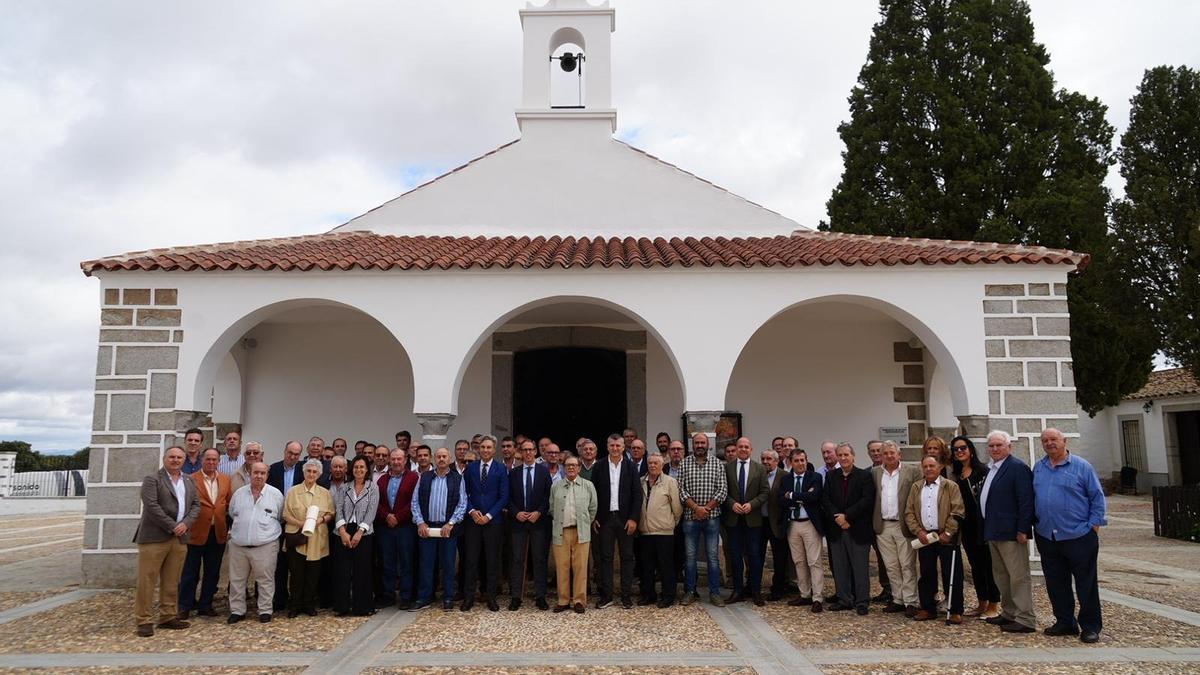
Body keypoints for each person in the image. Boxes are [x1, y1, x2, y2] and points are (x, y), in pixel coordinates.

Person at [1033, 428, 1107, 644]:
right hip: (1048, 536)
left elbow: (1097, 497)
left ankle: (1091, 626)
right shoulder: (1039, 467)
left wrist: (1093, 525)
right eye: (1045, 440)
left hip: (1078, 536)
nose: (1049, 443)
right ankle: (1065, 622)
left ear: (1064, 441)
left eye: (1053, 439)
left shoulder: (1082, 467)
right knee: (1056, 583)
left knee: (1086, 584)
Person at [133, 446, 200, 637]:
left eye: (179, 457)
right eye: (172, 457)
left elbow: (196, 504)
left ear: (184, 460)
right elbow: (151, 506)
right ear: (164, 459)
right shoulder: (153, 479)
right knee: (147, 580)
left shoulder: (188, 479)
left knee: (172, 580)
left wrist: (185, 524)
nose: (176, 460)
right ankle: (144, 619)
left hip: (179, 538)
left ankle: (168, 616)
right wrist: (173, 525)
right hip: (155, 536)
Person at [980, 430, 1036, 633]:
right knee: (1002, 576)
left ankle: (1025, 618)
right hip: (994, 531)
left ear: (1008, 447)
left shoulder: (1017, 468)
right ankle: (1009, 613)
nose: (994, 449)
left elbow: (1026, 501)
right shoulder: (992, 468)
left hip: (1012, 533)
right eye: (991, 446)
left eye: (999, 445)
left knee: (1018, 577)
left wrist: (1023, 529)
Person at [906, 456, 966, 624]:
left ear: (940, 467)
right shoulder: (916, 487)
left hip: (946, 536)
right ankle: (927, 608)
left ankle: (955, 610)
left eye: (932, 465)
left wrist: (948, 532)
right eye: (925, 466)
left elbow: (957, 510)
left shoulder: (950, 486)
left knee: (952, 573)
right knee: (926, 574)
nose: (928, 469)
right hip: (926, 537)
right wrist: (918, 531)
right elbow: (909, 512)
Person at [821, 442, 875, 615]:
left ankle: (862, 601)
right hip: (837, 529)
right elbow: (826, 499)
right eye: (840, 455)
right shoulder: (831, 476)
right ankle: (844, 599)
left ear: (853, 456)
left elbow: (867, 500)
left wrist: (848, 516)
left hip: (857, 528)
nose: (843, 458)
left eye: (846, 455)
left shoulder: (864, 476)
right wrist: (838, 517)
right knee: (839, 566)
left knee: (860, 568)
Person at [950, 435, 1000, 619]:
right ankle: (982, 603)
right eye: (956, 449)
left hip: (983, 525)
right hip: (967, 527)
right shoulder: (957, 475)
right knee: (976, 566)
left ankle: (994, 604)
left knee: (988, 565)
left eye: (963, 448)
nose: (960, 451)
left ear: (970, 450)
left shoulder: (982, 471)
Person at [226, 461, 283, 624]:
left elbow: (280, 517)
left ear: (267, 475)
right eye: (255, 472)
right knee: (237, 580)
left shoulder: (276, 495)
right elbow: (232, 513)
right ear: (250, 474)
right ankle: (237, 610)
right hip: (239, 546)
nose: (258, 476)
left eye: (262, 473)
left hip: (265, 545)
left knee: (265, 580)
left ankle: (265, 610)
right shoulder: (239, 494)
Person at [591, 433, 643, 609]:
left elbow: (637, 495)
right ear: (607, 447)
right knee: (605, 558)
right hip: (605, 520)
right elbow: (593, 494)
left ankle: (626, 596)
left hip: (625, 520)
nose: (615, 449)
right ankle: (607, 596)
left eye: (618, 446)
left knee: (627, 558)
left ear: (623, 447)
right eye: (612, 445)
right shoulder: (598, 467)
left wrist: (634, 518)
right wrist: (595, 517)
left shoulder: (630, 467)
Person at [413, 447, 468, 611]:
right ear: (434, 459)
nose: (441, 459)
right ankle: (425, 597)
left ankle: (448, 597)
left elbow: (462, 503)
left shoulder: (458, 478)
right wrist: (420, 522)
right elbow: (415, 502)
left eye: (444, 456)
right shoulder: (424, 477)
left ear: (449, 458)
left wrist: (451, 523)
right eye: (438, 457)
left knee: (448, 564)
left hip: (447, 528)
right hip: (427, 527)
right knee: (426, 564)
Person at [178, 448, 231, 619]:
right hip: (196, 532)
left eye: (214, 460)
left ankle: (205, 604)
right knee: (190, 572)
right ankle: (184, 605)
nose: (211, 462)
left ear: (219, 462)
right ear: (202, 460)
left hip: (217, 533)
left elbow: (227, 504)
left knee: (212, 571)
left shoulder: (225, 480)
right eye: (208, 459)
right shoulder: (190, 479)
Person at [677, 432, 728, 607]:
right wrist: (696, 508)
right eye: (696, 442)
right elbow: (681, 490)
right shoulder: (684, 463)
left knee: (713, 556)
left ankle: (714, 593)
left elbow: (722, 490)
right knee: (690, 556)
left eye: (702, 443)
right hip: (691, 518)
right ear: (692, 445)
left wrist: (705, 509)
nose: (699, 445)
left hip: (712, 518)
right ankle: (690, 591)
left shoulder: (717, 464)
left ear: (708, 445)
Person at [872, 440, 921, 617]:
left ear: (899, 454)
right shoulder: (876, 473)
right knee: (891, 565)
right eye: (886, 453)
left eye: (892, 453)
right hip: (883, 525)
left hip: (903, 525)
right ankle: (897, 599)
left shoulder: (912, 471)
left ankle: (911, 601)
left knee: (907, 564)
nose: (889, 456)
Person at [281, 459, 334, 617]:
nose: (311, 474)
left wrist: (321, 520)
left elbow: (331, 513)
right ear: (303, 473)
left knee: (313, 574)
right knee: (296, 574)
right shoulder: (292, 491)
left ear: (319, 474)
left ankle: (308, 604)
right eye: (308, 471)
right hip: (297, 536)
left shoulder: (325, 493)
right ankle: (294, 605)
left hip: (317, 538)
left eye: (314, 472)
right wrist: (300, 523)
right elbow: (285, 514)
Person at [462, 435, 509, 611]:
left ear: (494, 449)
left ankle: (491, 597)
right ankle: (468, 597)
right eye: (482, 447)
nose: (485, 450)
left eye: (489, 447)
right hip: (473, 521)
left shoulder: (500, 469)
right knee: (471, 560)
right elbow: (463, 493)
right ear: (478, 449)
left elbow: (504, 496)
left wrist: (488, 515)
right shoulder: (471, 468)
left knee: (491, 560)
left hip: (493, 522)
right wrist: (472, 511)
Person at [723, 437, 768, 606]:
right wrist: (732, 504)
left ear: (751, 449)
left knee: (755, 556)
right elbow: (722, 491)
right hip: (733, 520)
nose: (743, 449)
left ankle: (755, 591)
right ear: (736, 448)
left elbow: (765, 492)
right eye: (740, 446)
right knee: (735, 556)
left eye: (746, 447)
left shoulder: (759, 469)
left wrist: (752, 504)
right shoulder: (727, 468)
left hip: (753, 519)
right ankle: (737, 591)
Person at [507, 438, 551, 611]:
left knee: (539, 559)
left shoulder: (543, 472)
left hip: (538, 522)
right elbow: (507, 497)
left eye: (530, 449)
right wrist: (516, 512)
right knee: (517, 559)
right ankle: (516, 596)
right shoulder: (514, 473)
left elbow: (548, 497)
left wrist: (539, 512)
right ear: (521, 452)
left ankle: (540, 596)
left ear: (535, 452)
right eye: (524, 450)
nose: (527, 453)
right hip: (518, 521)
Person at [550, 456, 598, 613]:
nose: (571, 468)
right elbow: (551, 508)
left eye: (574, 465)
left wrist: (584, 522)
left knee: (580, 567)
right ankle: (563, 600)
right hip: (561, 532)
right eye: (567, 465)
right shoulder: (556, 486)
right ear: (563, 468)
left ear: (579, 468)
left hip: (581, 532)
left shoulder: (588, 485)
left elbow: (593, 508)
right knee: (562, 567)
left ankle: (579, 600)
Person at [335, 456, 380, 616]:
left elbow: (371, 511)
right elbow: (338, 509)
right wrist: (342, 531)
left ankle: (362, 606)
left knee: (363, 570)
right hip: (344, 530)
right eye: (356, 467)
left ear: (367, 469)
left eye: (362, 467)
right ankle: (342, 606)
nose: (359, 470)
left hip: (364, 532)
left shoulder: (373, 488)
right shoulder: (344, 488)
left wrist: (360, 532)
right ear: (351, 469)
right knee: (343, 570)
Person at [374, 447, 418, 609]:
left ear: (405, 460)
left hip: (405, 527)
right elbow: (376, 503)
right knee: (387, 562)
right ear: (389, 461)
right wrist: (386, 516)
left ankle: (406, 596)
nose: (396, 462)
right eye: (393, 459)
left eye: (399, 459)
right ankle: (388, 595)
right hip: (386, 527)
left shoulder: (413, 478)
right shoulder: (382, 480)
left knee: (406, 562)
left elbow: (414, 502)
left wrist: (398, 517)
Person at [781, 448, 824, 612]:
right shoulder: (785, 479)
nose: (800, 463)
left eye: (803, 460)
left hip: (810, 524)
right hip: (793, 524)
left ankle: (817, 597)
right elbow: (780, 499)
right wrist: (803, 496)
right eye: (797, 461)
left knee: (814, 561)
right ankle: (804, 594)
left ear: (806, 461)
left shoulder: (815, 477)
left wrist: (791, 496)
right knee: (799, 561)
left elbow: (814, 497)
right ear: (791, 463)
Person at [638, 453, 682, 607]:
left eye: (656, 463)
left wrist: (670, 523)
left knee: (665, 566)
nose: (652, 465)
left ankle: (668, 595)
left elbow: (677, 508)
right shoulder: (641, 481)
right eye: (650, 463)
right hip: (645, 531)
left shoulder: (670, 482)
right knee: (647, 566)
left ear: (662, 465)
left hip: (664, 532)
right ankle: (649, 594)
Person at [268, 441, 305, 610]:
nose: (293, 457)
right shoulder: (273, 469)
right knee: (278, 564)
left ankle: (296, 599)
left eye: (296, 454)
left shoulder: (303, 470)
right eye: (290, 453)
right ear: (284, 451)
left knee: (296, 563)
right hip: (276, 522)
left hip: (297, 524)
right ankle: (279, 599)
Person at [761, 448, 792, 601]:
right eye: (763, 459)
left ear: (776, 461)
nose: (766, 462)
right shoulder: (758, 474)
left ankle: (778, 588)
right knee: (756, 556)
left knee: (779, 558)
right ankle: (754, 587)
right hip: (759, 522)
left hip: (777, 522)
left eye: (769, 459)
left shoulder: (785, 476)